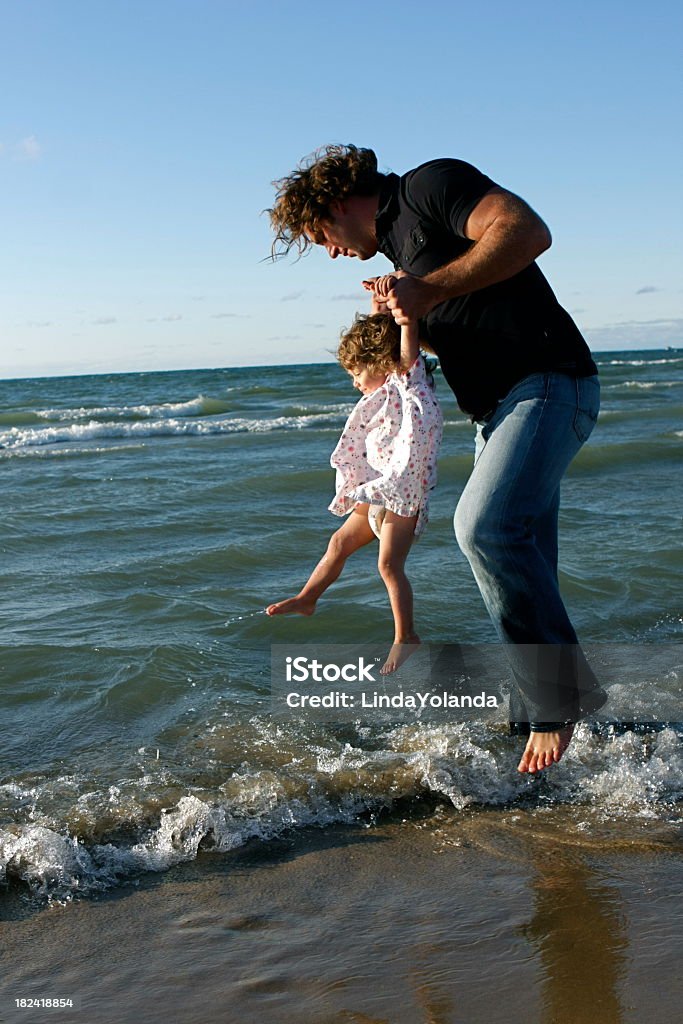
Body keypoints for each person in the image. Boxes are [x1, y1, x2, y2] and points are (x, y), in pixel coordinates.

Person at [268, 144, 608, 774]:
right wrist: (394, 311)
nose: (330, 251)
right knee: (527, 564)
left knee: (483, 529)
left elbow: (527, 230)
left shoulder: (429, 186)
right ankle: (552, 722)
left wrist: (427, 288)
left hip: (549, 383)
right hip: (500, 412)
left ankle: (560, 697)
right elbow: (409, 351)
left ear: (339, 203)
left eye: (320, 236)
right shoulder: (400, 252)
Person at [267, 307, 443, 675]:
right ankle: (308, 597)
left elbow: (402, 345)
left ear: (381, 360)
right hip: (376, 490)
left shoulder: (409, 382)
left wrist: (406, 319)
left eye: (355, 372)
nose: (353, 382)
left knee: (389, 565)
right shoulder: (383, 392)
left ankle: (406, 635)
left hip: (402, 495)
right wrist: (381, 308)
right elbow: (386, 333)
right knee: (338, 544)